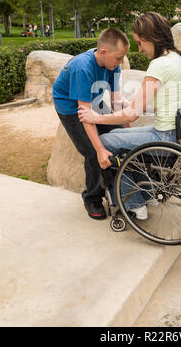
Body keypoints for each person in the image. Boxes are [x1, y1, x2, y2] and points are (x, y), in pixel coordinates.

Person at [78, 12, 181, 220]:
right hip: (179, 133)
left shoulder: (159, 65)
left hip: (164, 136)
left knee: (105, 141)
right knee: (120, 137)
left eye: (140, 43)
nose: (139, 49)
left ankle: (134, 204)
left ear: (150, 40)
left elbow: (132, 114)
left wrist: (95, 118)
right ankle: (146, 194)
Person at [52, 28, 130, 220]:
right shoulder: (83, 68)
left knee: (119, 141)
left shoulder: (113, 66)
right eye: (118, 58)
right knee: (94, 152)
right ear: (103, 51)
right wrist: (100, 149)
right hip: (71, 106)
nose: (120, 62)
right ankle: (92, 197)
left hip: (92, 102)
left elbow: (116, 102)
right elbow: (85, 115)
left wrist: (127, 130)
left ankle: (121, 191)